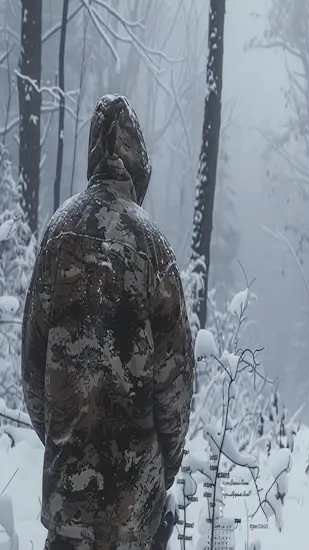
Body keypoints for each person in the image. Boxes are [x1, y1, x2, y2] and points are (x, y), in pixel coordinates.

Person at [21, 94, 195, 550]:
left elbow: (33, 372)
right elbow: (175, 385)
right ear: (138, 162)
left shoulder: (57, 238)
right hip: (134, 516)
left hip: (66, 509)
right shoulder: (153, 247)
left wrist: (63, 443)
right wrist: (159, 470)